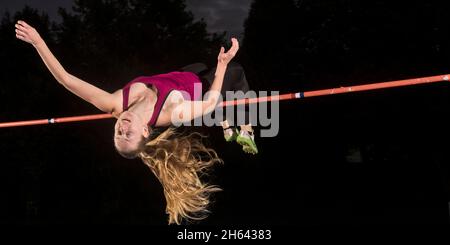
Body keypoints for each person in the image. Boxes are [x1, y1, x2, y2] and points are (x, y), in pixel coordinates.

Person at [15, 20, 257, 225]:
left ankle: (227, 122)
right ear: (144, 130)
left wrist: (38, 42)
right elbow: (208, 103)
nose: (122, 128)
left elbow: (67, 80)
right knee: (235, 73)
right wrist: (223, 65)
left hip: (186, 73)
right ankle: (245, 129)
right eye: (127, 135)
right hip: (201, 91)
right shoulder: (170, 113)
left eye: (117, 134)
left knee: (201, 66)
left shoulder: (114, 104)